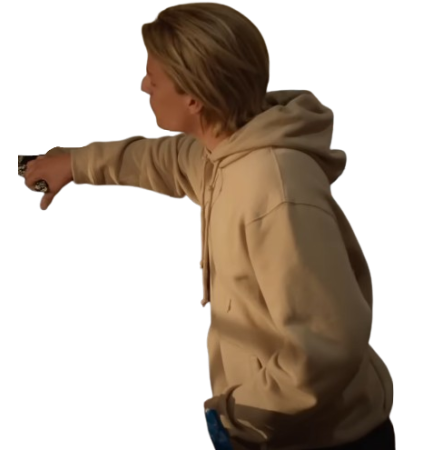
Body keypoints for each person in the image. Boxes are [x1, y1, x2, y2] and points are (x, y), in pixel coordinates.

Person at [21, 3, 396, 450]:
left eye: (154, 79)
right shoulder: (228, 150)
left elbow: (327, 346)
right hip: (282, 428)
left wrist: (236, 419)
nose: (143, 85)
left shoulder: (275, 194)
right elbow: (166, 160)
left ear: (194, 98)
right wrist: (76, 163)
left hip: (319, 440)